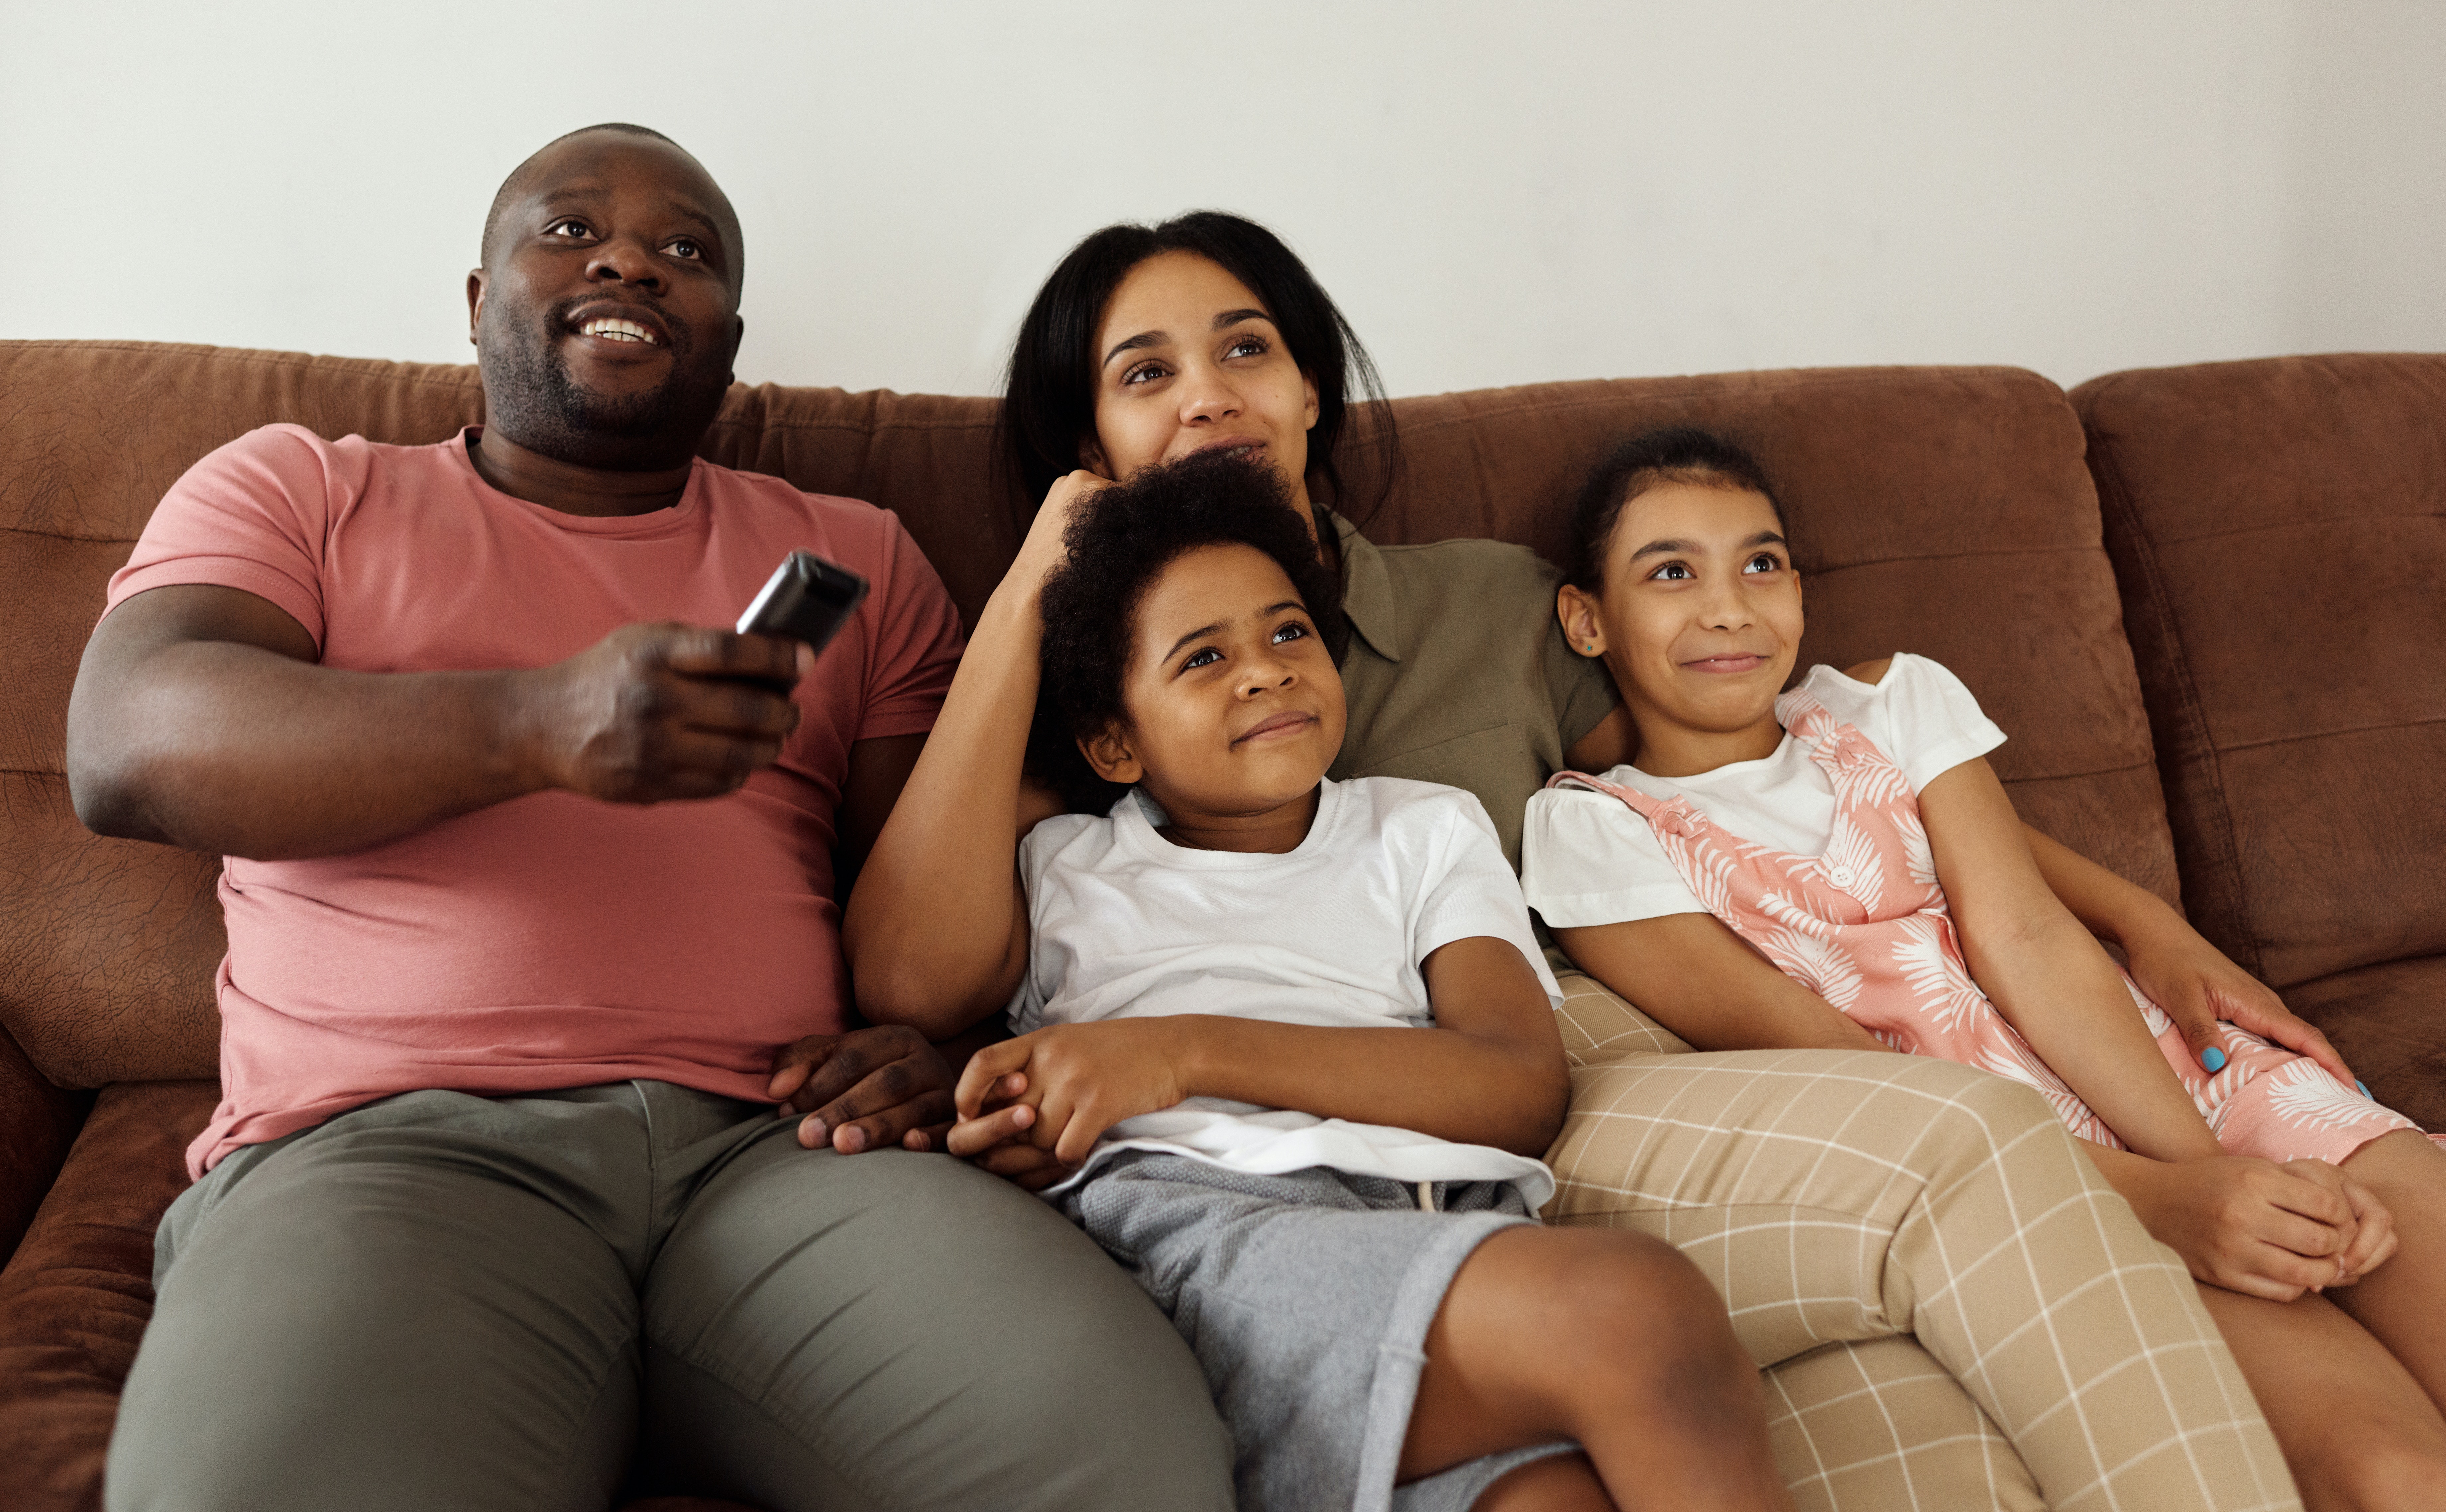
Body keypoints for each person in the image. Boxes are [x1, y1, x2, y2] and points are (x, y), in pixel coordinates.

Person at [847, 210, 2304, 1509]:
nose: (1209, 390)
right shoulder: (1083, 732)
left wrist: (2129, 912)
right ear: (1089, 442)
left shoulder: (1489, 604)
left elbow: (1773, 742)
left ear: (1309, 388)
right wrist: (1045, 571)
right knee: (1922, 1235)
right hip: (1358, 1159)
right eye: (1144, 371)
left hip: (1581, 1032)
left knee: (1930, 1334)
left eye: (1245, 346)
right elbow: (919, 972)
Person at [68, 124, 1232, 1512]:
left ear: (727, 346)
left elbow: (932, 900)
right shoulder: (303, 489)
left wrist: (938, 1048)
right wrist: (534, 724)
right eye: (568, 230)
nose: (629, 256)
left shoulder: (852, 555)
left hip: (790, 1152)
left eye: (688, 253)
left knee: (1122, 1463)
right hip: (387, 1151)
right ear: (474, 298)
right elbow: (129, 741)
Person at [1520, 426, 2446, 1508]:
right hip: (2039, 1191)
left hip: (2183, 1087)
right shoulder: (1596, 832)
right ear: (1588, 619)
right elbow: (1845, 1081)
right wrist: (2172, 1202)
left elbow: (2031, 939)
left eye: (1761, 563)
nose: (1730, 608)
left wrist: (2217, 1173)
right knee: (2397, 1474)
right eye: (1671, 572)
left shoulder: (1889, 704)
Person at [883, 448, 1793, 1512]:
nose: (1264, 670)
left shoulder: (1421, 827)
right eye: (1201, 659)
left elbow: (1516, 1088)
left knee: (1552, 1502)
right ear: (1114, 742)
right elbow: (911, 982)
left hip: (1434, 1220)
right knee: (1635, 1312)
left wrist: (1181, 1053)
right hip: (1201, 1240)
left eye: (1286, 632)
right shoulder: (1065, 863)